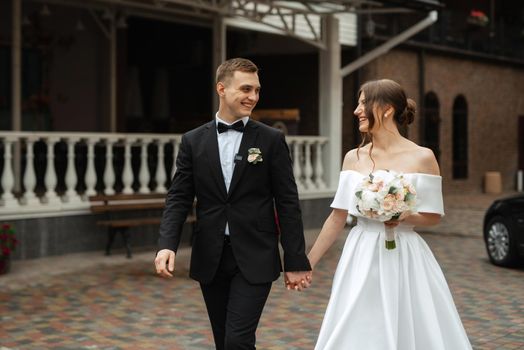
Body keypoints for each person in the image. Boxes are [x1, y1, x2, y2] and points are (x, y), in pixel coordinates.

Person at [154, 57, 312, 350]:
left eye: (257, 90)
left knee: (238, 340)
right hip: (210, 256)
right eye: (246, 89)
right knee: (224, 340)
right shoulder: (192, 141)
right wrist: (167, 244)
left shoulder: (271, 140)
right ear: (222, 88)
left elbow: (288, 203)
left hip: (256, 254)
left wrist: (295, 259)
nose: (252, 97)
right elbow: (179, 197)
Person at [307, 79, 472, 349]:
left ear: (385, 109)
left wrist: (402, 215)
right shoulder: (353, 157)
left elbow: (433, 216)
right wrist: (308, 263)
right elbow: (337, 217)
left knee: (409, 320)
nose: (356, 110)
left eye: (363, 103)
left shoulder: (423, 157)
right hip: (361, 252)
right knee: (357, 321)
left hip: (405, 255)